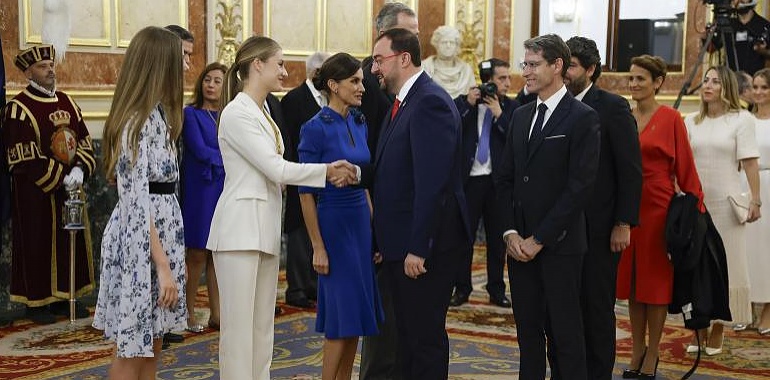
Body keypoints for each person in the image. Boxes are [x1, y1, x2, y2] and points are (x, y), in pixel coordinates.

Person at [205, 35, 356, 380]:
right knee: (239, 332)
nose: (285, 71)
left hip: (264, 228)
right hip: (239, 230)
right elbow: (275, 168)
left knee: (261, 329)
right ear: (257, 65)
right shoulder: (237, 112)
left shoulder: (265, 111)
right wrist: (326, 171)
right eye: (280, 64)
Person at [365, 28, 470, 378]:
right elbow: (394, 175)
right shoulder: (405, 102)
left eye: (380, 60)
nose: (374, 68)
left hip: (425, 250)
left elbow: (432, 185)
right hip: (401, 246)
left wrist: (418, 248)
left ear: (404, 59)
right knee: (406, 337)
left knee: (424, 340)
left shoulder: (429, 102)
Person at [496, 34, 600, 380]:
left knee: (564, 336)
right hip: (519, 246)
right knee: (527, 335)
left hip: (560, 246)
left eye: (533, 64)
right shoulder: (521, 115)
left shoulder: (582, 117)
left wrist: (539, 238)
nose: (525, 71)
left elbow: (579, 188)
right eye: (524, 64)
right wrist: (511, 233)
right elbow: (506, 179)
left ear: (557, 66)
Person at [92, 26, 188, 379]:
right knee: (132, 346)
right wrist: (162, 264)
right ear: (158, 65)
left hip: (159, 238)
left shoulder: (159, 115)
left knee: (154, 343)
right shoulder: (136, 122)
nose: (186, 67)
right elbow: (135, 200)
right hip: (140, 243)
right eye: (180, 59)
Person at [617, 55, 705, 379]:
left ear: (657, 82)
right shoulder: (624, 117)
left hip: (658, 208)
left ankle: (653, 353)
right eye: (632, 78)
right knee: (631, 283)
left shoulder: (671, 118)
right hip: (627, 208)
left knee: (654, 285)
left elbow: (686, 170)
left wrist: (696, 217)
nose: (634, 84)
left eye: (641, 78)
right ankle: (636, 350)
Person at [298, 52, 384, 380]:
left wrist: (375, 233)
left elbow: (363, 184)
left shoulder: (358, 121)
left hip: (361, 224)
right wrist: (317, 246)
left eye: (362, 80)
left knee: (356, 321)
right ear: (333, 85)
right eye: (355, 81)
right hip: (333, 226)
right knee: (339, 321)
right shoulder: (314, 128)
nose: (363, 87)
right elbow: (305, 194)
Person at [563, 36, 643, 380]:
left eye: (571, 66)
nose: (563, 72)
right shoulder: (554, 104)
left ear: (591, 69)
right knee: (565, 308)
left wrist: (623, 222)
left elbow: (630, 169)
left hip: (600, 227)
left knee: (595, 308)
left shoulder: (611, 106)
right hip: (561, 227)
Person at [2, 44, 96, 325]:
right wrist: (60, 176)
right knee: (37, 241)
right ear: (29, 72)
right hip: (36, 193)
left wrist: (79, 169)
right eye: (43, 67)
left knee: (71, 239)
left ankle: (66, 295)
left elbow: (84, 141)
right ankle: (38, 301)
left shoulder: (68, 101)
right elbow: (24, 156)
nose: (50, 70)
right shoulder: (18, 109)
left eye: (51, 65)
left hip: (71, 190)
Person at [359, 4, 419, 380]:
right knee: (381, 315)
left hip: (398, 215)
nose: (415, 37)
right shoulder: (368, 81)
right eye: (406, 31)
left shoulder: (413, 85)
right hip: (373, 209)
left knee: (399, 315)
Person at [685, 65, 761, 356]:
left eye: (715, 81)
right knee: (695, 264)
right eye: (705, 80)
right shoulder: (691, 121)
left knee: (727, 265)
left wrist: (755, 199)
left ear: (726, 87)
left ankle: (719, 325)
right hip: (696, 203)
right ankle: (698, 325)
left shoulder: (741, 119)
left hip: (727, 204)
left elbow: (750, 162)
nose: (707, 85)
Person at [449, 58, 517, 308]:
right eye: (502, 78)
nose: (507, 83)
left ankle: (496, 289)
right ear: (487, 80)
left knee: (498, 239)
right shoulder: (465, 102)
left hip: (498, 182)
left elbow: (517, 141)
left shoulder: (511, 106)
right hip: (469, 181)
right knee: (463, 238)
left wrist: (499, 115)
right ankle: (462, 287)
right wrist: (467, 104)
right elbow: (450, 127)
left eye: (508, 78)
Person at [280, 51, 331, 309]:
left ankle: (314, 285)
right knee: (299, 234)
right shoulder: (294, 99)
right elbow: (287, 139)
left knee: (319, 233)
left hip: (325, 177)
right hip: (300, 173)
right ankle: (297, 287)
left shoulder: (329, 99)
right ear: (314, 72)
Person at [181, 62, 227, 333]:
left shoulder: (228, 114)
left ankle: (217, 313)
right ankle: (186, 313)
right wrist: (231, 160)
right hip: (201, 189)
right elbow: (200, 150)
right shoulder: (191, 114)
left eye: (217, 81)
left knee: (217, 253)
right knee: (197, 252)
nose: (210, 85)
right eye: (207, 79)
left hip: (223, 187)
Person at [748, 68, 770, 335]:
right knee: (749, 249)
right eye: (755, 87)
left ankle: (768, 309)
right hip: (746, 185)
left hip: (769, 184)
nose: (759, 92)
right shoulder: (745, 119)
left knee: (767, 249)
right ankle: (747, 306)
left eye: (765, 87)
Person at [422, 25, 476, 98]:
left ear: (457, 45)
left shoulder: (466, 70)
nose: (448, 46)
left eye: (452, 42)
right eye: (444, 42)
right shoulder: (425, 68)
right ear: (436, 44)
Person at [725, 0, 770, 75]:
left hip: (754, 81)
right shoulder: (727, 25)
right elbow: (712, 47)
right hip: (731, 80)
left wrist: (762, 51)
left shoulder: (764, 25)